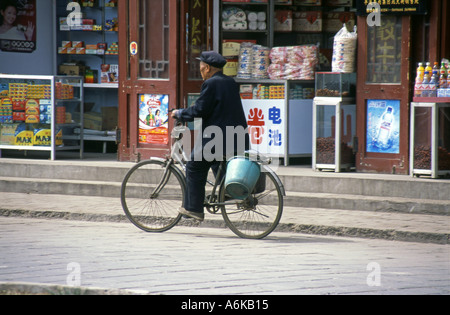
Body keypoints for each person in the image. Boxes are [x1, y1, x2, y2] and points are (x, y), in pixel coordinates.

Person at [171, 51, 249, 222]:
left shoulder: (211, 84)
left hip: (218, 138)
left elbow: (199, 110)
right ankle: (227, 192)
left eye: (200, 68)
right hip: (237, 137)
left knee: (194, 166)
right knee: (215, 162)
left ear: (207, 68)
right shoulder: (230, 82)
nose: (200, 71)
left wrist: (180, 113)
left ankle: (194, 209)